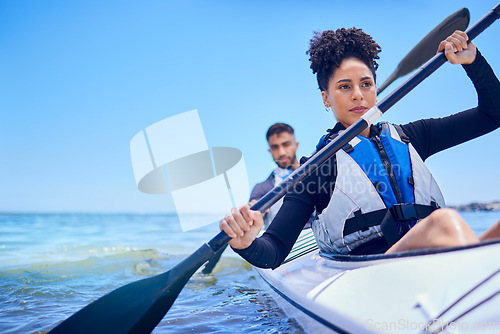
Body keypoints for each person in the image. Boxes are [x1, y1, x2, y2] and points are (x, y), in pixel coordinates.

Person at [220, 28, 500, 269]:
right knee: (444, 223)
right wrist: (246, 244)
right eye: (344, 86)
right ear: (326, 98)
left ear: (376, 89)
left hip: (430, 256)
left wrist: (473, 62)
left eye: (366, 84)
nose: (357, 94)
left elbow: (493, 114)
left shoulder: (413, 136)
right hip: (371, 271)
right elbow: (275, 249)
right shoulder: (317, 166)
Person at [249, 123, 300, 227]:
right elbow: (254, 214)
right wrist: (252, 213)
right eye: (275, 147)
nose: (281, 152)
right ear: (270, 151)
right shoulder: (262, 188)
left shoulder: (316, 174)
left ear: (296, 145)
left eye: (286, 145)